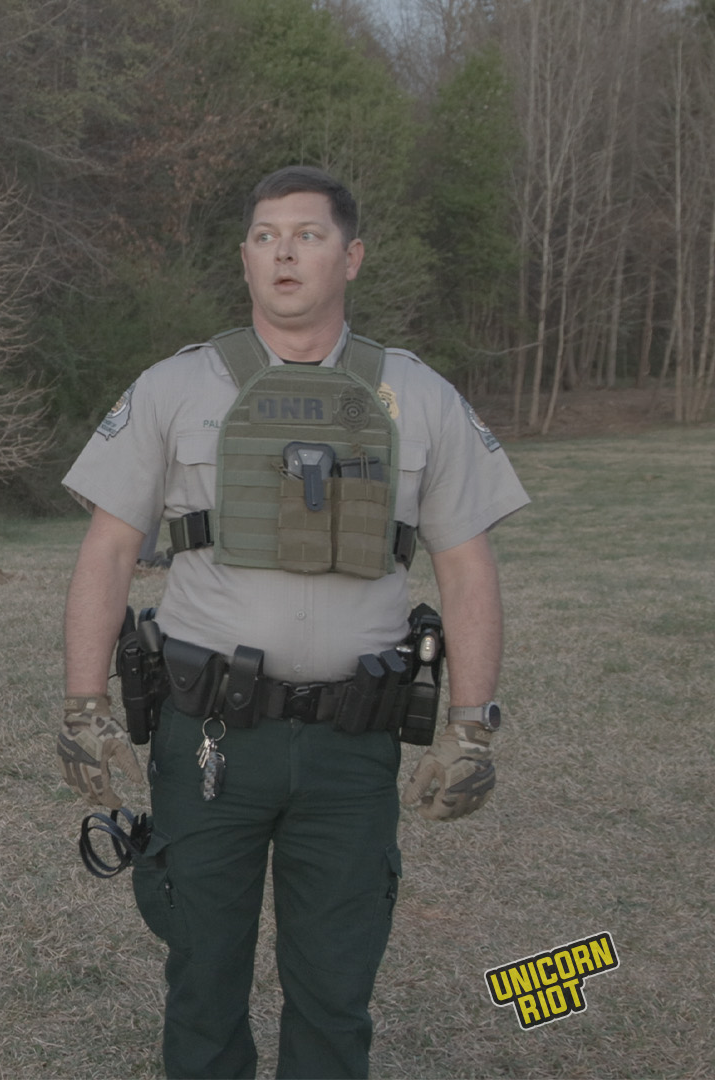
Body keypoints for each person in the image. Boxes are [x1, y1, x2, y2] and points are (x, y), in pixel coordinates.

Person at [55, 166, 530, 1079]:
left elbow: (468, 564)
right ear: (244, 257)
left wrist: (471, 727)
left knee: (335, 990)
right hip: (210, 736)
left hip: (354, 749)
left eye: (308, 235)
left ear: (350, 257)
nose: (285, 251)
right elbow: (109, 550)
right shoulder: (174, 387)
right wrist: (84, 706)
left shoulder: (419, 397)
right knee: (202, 977)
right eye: (267, 235)